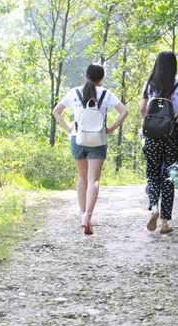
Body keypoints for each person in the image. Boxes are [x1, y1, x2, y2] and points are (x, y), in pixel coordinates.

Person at [52, 63, 129, 235]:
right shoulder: (106, 93)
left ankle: (82, 214)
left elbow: (56, 112)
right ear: (101, 79)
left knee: (82, 177)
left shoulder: (74, 92)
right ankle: (88, 215)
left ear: (85, 76)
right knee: (94, 179)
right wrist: (111, 129)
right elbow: (124, 111)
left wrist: (70, 129)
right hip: (98, 140)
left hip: (78, 138)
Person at [140, 51, 178, 234]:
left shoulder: (150, 84)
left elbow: (142, 108)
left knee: (153, 175)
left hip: (153, 134)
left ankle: (154, 207)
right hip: (172, 134)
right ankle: (164, 223)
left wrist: (146, 124)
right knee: (169, 176)